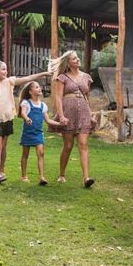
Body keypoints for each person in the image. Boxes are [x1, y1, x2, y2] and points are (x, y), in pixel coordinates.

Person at [0, 60, 50, 184]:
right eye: (3, 69)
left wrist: (43, 74)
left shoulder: (9, 82)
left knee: (3, 146)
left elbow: (28, 78)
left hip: (8, 117)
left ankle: (1, 171)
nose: (6, 71)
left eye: (6, 69)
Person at [50, 49, 95, 187]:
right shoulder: (62, 78)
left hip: (83, 113)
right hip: (68, 113)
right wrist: (61, 115)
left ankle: (86, 178)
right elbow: (58, 98)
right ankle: (62, 174)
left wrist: (91, 113)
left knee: (83, 144)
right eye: (74, 59)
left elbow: (87, 97)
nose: (78, 60)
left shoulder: (86, 77)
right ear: (68, 63)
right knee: (68, 146)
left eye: (77, 57)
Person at [18, 80, 62, 185]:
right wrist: (27, 118)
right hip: (27, 133)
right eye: (37, 87)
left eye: (39, 87)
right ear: (30, 91)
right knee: (25, 154)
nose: (39, 88)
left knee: (41, 153)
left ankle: (42, 177)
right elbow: (23, 113)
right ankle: (24, 176)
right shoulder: (26, 103)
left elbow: (48, 120)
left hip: (38, 133)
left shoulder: (43, 105)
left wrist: (60, 124)